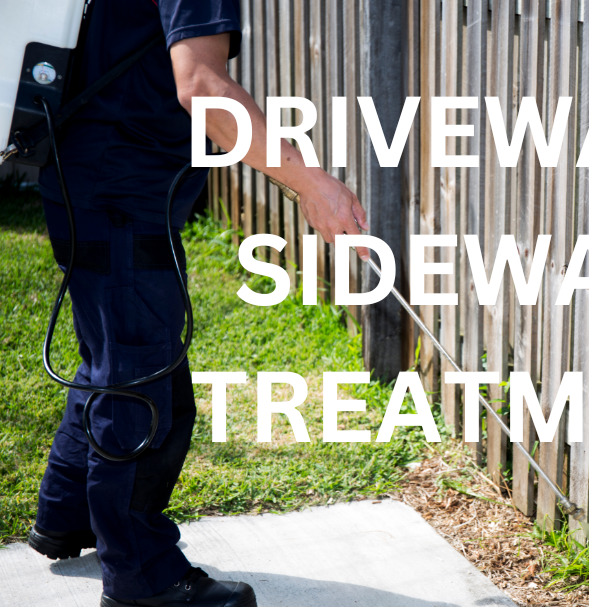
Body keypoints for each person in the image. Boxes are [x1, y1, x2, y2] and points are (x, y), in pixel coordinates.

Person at [28, 1, 368, 606]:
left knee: (110, 351)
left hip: (82, 171)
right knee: (143, 382)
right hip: (120, 192)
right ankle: (142, 576)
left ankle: (69, 511)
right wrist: (310, 181)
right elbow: (203, 85)